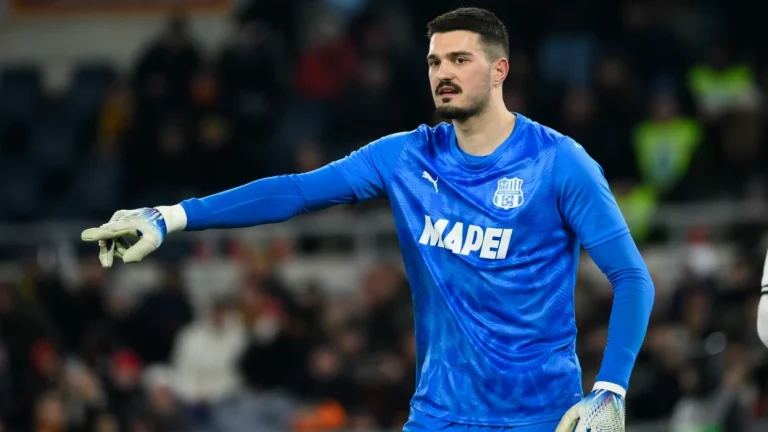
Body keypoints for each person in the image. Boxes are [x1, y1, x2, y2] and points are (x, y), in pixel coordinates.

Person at [82, 7, 654, 432]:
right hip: (438, 416)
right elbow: (296, 192)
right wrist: (171, 216)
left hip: (542, 418)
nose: (443, 73)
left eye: (460, 60)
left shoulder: (559, 163)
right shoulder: (406, 157)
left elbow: (632, 278)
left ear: (499, 69)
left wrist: (610, 389)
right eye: (434, 62)